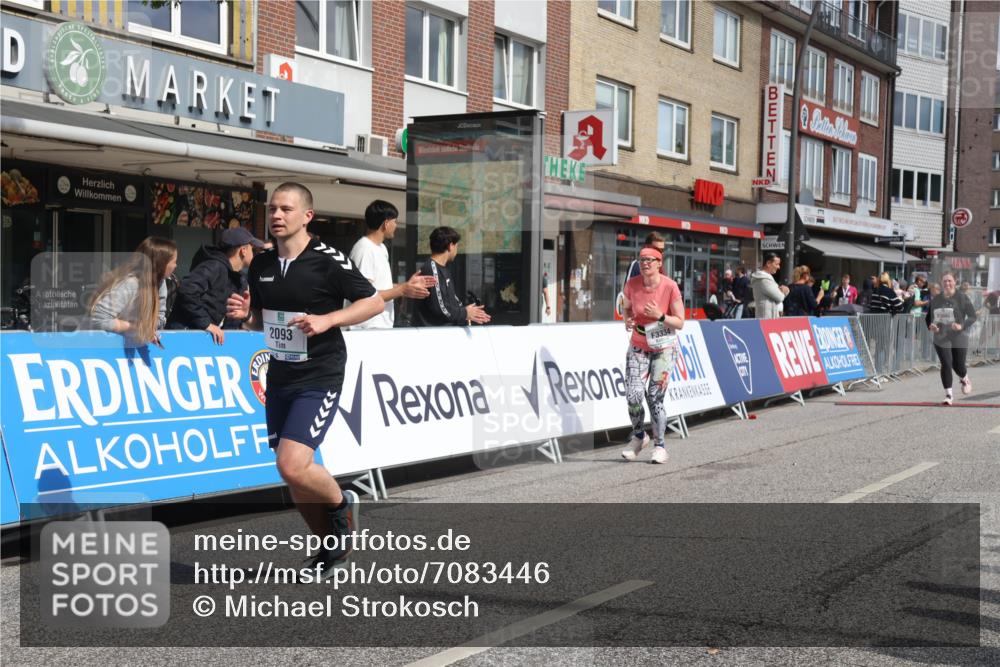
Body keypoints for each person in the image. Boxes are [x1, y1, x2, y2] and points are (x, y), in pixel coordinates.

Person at [226, 182, 385, 579]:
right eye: (272, 209)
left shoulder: (328, 260)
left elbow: (374, 301)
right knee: (292, 472)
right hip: (281, 374)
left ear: (306, 216)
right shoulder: (260, 264)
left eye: (286, 209)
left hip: (321, 373)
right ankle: (328, 550)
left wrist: (328, 319)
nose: (276, 216)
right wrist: (246, 315)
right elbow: (260, 319)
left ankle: (342, 502)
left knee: (293, 464)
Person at [620, 247, 685, 465]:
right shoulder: (632, 284)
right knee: (633, 396)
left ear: (659, 263)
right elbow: (626, 308)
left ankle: (660, 447)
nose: (645, 263)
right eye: (642, 260)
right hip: (638, 345)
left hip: (664, 348)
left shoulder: (670, 286)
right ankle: (639, 437)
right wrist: (627, 320)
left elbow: (680, 322)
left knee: (654, 397)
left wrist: (660, 316)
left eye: (650, 260)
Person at [347, 199, 436, 329]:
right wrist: (403, 290)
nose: (396, 225)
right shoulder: (364, 249)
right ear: (386, 223)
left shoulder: (381, 248)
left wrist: (406, 286)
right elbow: (365, 295)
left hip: (379, 325)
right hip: (366, 327)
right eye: (395, 221)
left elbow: (379, 286)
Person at [167, 227, 265, 343]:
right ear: (243, 250)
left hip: (211, 345)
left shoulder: (240, 279)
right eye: (252, 249)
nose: (254, 254)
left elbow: (231, 316)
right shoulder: (213, 266)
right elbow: (187, 289)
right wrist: (206, 324)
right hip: (184, 340)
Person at [89, 236, 178, 347]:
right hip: (103, 348)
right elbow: (99, 319)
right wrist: (135, 328)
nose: (176, 266)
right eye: (174, 262)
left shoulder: (160, 283)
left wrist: (149, 331)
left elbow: (158, 318)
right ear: (161, 263)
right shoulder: (130, 284)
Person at [411, 226, 491, 327]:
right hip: (431, 335)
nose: (456, 251)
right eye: (456, 246)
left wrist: (468, 313)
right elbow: (441, 308)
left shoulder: (443, 269)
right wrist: (465, 313)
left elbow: (452, 300)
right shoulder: (432, 270)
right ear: (450, 246)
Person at [926, 272, 978, 405]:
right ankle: (949, 395)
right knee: (946, 363)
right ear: (941, 283)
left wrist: (961, 326)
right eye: (945, 281)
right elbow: (928, 318)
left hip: (959, 336)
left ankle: (964, 378)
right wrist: (932, 326)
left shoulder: (962, 297)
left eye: (950, 281)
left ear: (955, 282)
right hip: (941, 336)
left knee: (958, 364)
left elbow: (972, 316)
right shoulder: (937, 299)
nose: (947, 284)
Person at [751, 252, 789, 319]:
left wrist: (780, 291)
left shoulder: (766, 278)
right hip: (766, 319)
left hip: (768, 317)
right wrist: (785, 291)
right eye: (776, 264)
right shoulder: (763, 279)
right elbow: (779, 297)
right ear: (768, 263)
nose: (778, 267)